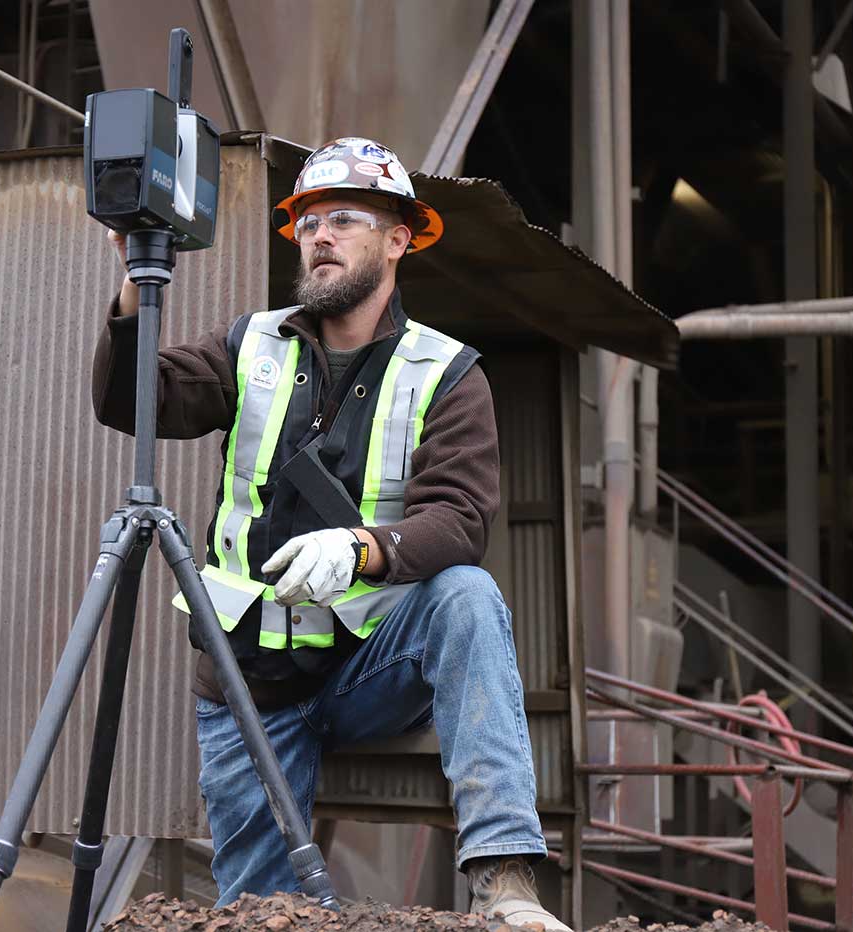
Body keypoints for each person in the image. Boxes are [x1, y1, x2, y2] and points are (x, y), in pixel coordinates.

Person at [92, 137, 571, 932]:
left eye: (343, 218)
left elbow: (460, 519)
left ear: (398, 238)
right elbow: (132, 401)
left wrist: (363, 549)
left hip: (366, 667)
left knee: (466, 597)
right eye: (308, 220)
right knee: (260, 912)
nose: (318, 234)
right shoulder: (252, 345)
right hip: (251, 683)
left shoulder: (445, 371)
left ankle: (504, 879)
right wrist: (137, 281)